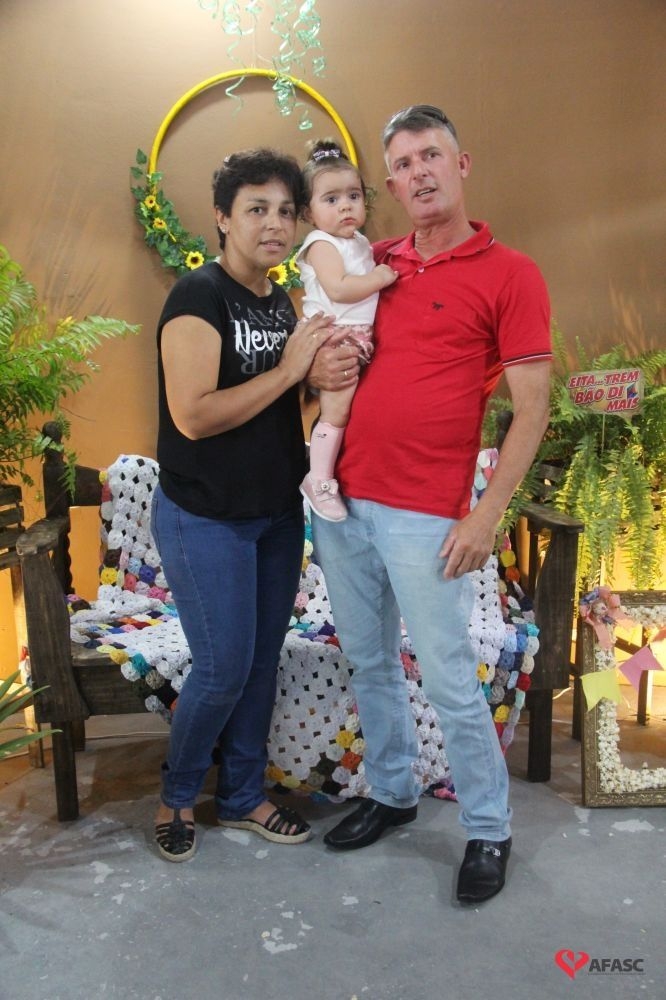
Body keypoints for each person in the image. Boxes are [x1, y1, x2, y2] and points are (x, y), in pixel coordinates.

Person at [308, 105, 552, 904]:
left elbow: (533, 407)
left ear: (461, 163)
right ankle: (391, 792)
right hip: (344, 503)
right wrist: (316, 374)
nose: (419, 173)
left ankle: (488, 827)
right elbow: (322, 341)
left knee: (447, 675)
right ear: (390, 185)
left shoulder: (511, 273)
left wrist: (487, 515)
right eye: (404, 164)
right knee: (370, 661)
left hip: (426, 513)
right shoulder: (372, 263)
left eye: (431, 156)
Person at [151, 148, 333, 862]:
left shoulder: (279, 302)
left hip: (276, 515)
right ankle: (176, 795)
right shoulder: (197, 296)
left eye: (286, 211)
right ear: (223, 218)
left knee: (260, 664)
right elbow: (194, 415)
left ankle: (242, 798)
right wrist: (290, 370)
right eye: (257, 209)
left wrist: (319, 379)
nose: (275, 224)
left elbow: (283, 406)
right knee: (224, 667)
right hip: (205, 516)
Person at [296, 139, 397, 522]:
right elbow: (338, 288)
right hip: (334, 336)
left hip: (355, 336)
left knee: (352, 411)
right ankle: (318, 479)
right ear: (308, 211)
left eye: (353, 196)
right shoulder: (320, 243)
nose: (345, 206)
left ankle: (333, 472)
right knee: (336, 412)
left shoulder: (359, 242)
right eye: (332, 199)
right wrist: (379, 278)